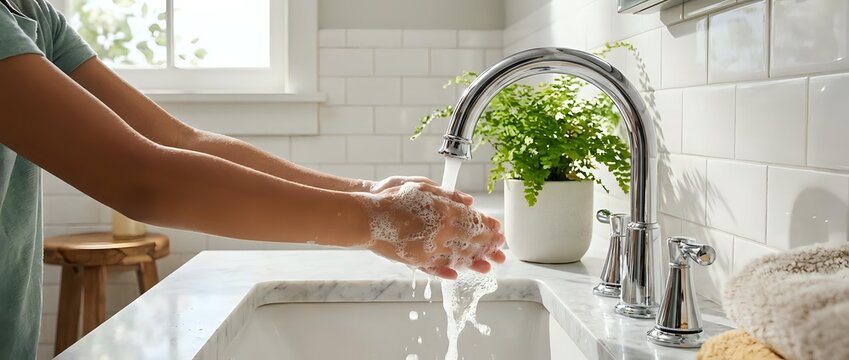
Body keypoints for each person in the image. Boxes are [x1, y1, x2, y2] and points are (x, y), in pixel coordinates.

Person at [0, 0, 506, 358]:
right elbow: (142, 178)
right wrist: (375, 221)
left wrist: (370, 195)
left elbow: (180, 142)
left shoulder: (32, 15)